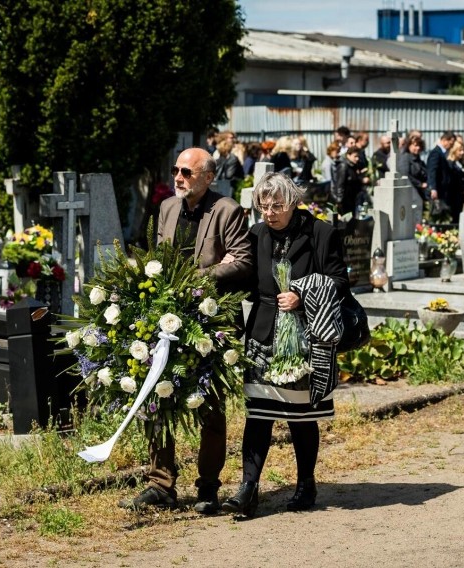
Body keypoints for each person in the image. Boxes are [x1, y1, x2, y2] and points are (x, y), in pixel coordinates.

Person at [119, 147, 253, 512]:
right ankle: (160, 484)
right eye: (176, 170)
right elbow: (158, 261)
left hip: (211, 320)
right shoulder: (167, 208)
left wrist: (198, 278)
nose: (178, 177)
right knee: (158, 395)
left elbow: (241, 261)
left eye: (187, 172)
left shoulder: (226, 210)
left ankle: (208, 486)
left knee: (208, 403)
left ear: (208, 177)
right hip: (167, 316)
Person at [222, 172, 349, 516]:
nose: (270, 212)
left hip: (305, 339)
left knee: (300, 417)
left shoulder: (321, 233)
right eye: (264, 206)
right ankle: (248, 489)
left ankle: (306, 483)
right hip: (263, 335)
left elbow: (339, 281)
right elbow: (248, 283)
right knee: (258, 415)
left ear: (294, 202)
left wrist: (302, 294)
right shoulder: (257, 234)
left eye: (277, 205)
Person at [332, 146, 364, 217]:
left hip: (351, 200)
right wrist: (339, 201)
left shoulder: (354, 166)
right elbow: (340, 184)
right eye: (355, 156)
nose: (357, 159)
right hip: (344, 202)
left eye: (358, 156)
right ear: (348, 155)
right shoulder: (344, 166)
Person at [427, 131, 455, 211]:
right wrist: (433, 188)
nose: (452, 146)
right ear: (444, 140)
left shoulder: (443, 153)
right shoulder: (436, 153)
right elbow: (432, 171)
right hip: (438, 190)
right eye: (451, 143)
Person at [445, 140, 464, 220]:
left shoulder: (460, 163)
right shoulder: (450, 163)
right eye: (460, 150)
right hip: (453, 195)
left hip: (460, 194)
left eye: (463, 150)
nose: (462, 153)